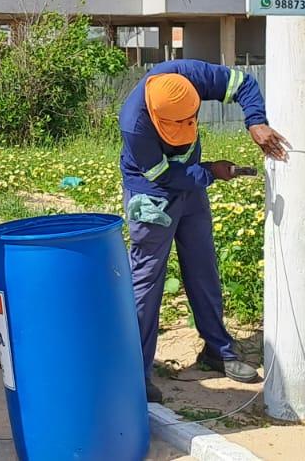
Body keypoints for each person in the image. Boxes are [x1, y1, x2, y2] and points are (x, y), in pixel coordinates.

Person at [119, 59, 291, 404]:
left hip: (192, 184)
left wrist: (255, 120)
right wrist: (210, 172)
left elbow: (244, 83)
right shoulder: (134, 124)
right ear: (155, 117)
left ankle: (217, 350)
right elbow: (164, 176)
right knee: (147, 280)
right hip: (152, 191)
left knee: (203, 266)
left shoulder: (189, 76)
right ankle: (135, 373)